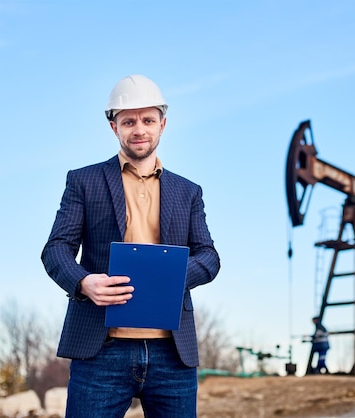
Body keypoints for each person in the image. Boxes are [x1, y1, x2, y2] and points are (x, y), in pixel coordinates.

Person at [41, 74, 221, 418]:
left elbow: (209, 257)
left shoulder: (188, 192)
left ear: (162, 124)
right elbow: (56, 249)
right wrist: (82, 282)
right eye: (128, 121)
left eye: (148, 120)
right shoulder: (84, 181)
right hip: (101, 350)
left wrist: (170, 275)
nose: (139, 129)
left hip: (172, 352)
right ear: (114, 127)